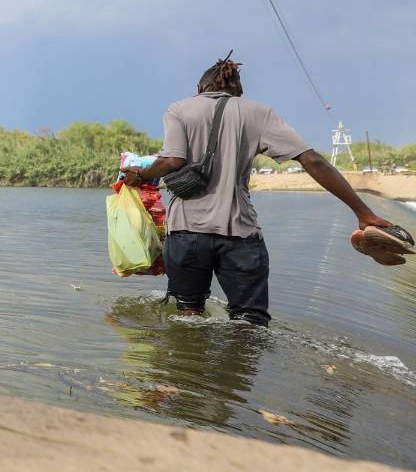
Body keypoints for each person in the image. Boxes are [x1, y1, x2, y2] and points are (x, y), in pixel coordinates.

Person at [124, 53, 413, 326]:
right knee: (250, 322)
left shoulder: (179, 109)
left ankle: (189, 362)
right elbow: (312, 160)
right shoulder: (259, 113)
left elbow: (172, 160)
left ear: (201, 87)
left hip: (187, 235)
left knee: (188, 316)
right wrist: (363, 213)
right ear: (237, 88)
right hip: (240, 235)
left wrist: (140, 175)